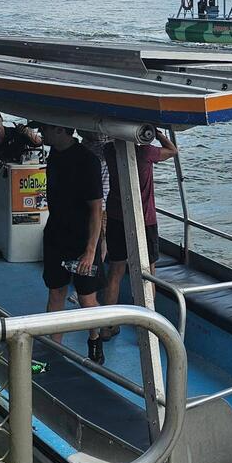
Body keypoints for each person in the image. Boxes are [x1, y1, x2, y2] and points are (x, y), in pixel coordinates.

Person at [37, 123, 106, 362]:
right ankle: (53, 349)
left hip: (82, 238)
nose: (41, 134)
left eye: (44, 129)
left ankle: (95, 338)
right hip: (57, 235)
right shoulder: (54, 154)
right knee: (55, 292)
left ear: (59, 130)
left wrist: (90, 250)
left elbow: (96, 209)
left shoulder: (87, 161)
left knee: (87, 298)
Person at [100, 131, 177, 340]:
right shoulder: (145, 153)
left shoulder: (110, 150)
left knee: (115, 271)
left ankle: (107, 325)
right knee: (148, 273)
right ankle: (147, 326)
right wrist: (160, 134)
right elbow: (173, 150)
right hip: (144, 219)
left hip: (117, 217)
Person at [0, 109, 41, 259]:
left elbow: (38, 143)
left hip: (23, 177)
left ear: (1, 118)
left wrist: (26, 132)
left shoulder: (17, 133)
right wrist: (3, 169)